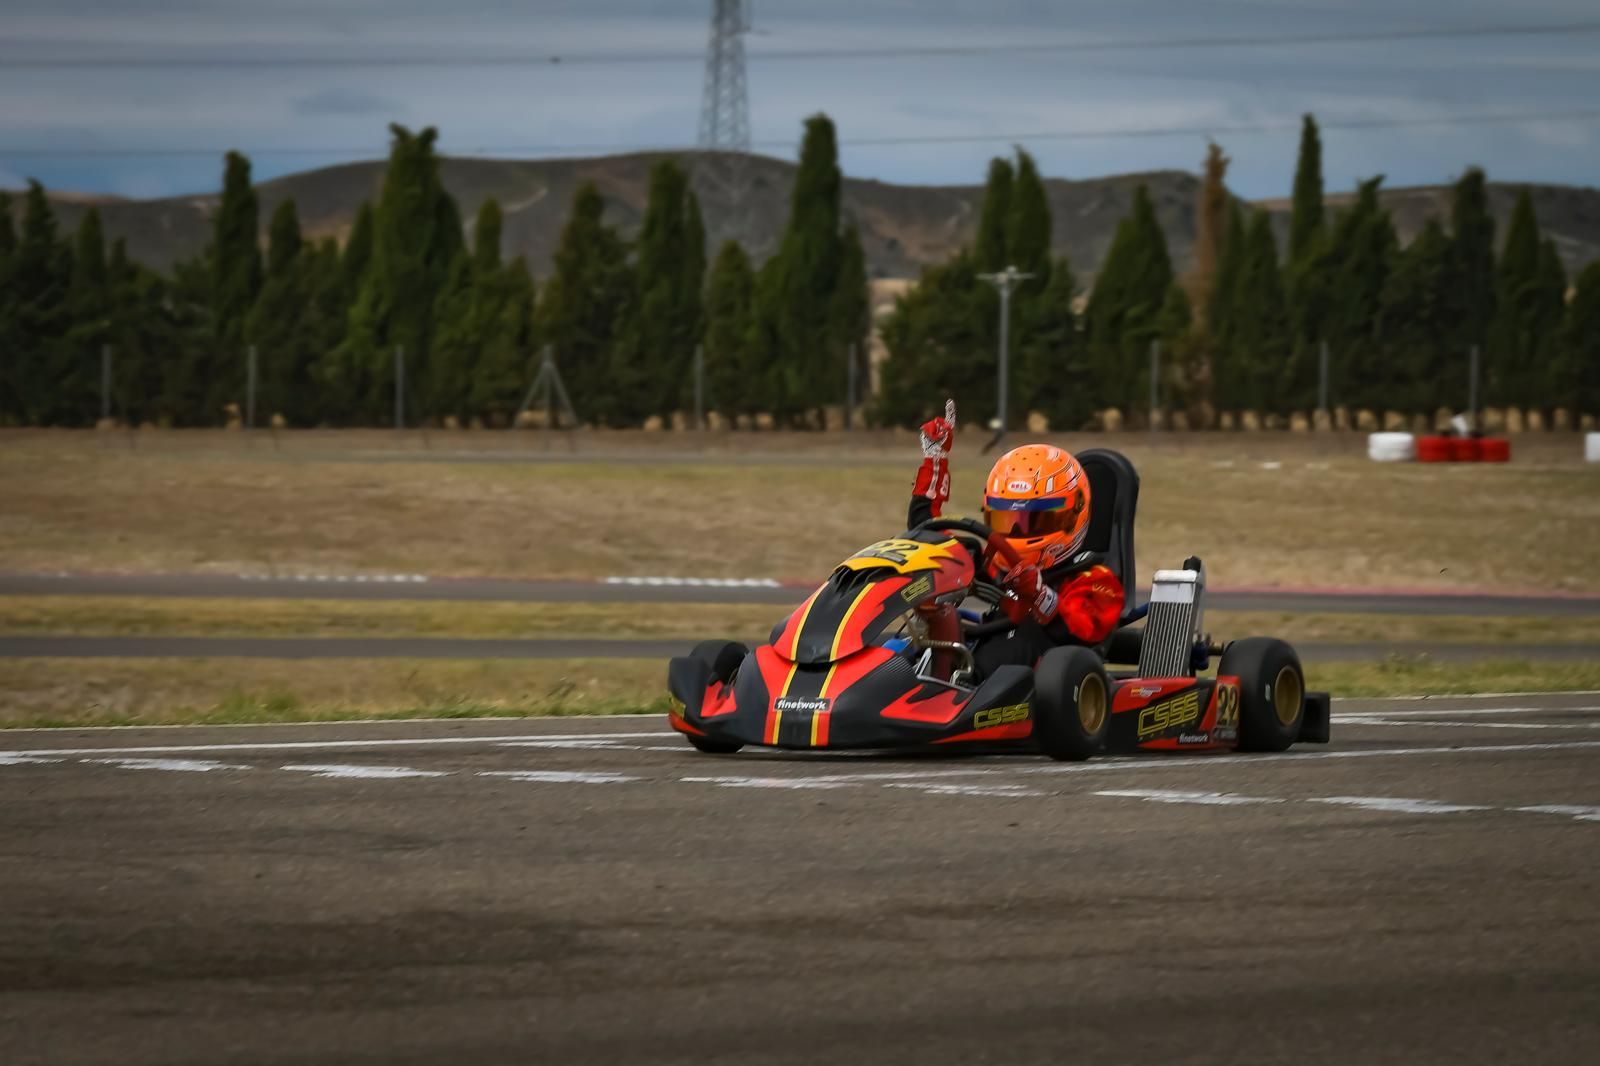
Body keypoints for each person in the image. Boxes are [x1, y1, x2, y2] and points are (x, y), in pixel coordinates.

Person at [909, 400, 1125, 676]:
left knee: (1012, 652)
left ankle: (947, 690)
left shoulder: (1095, 579)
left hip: (1043, 680)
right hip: (985, 662)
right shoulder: (998, 565)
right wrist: (935, 461)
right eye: (1007, 521)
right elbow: (927, 536)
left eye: (1034, 521)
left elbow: (1080, 632)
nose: (1018, 533)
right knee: (909, 642)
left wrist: (1037, 594)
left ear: (1073, 515)